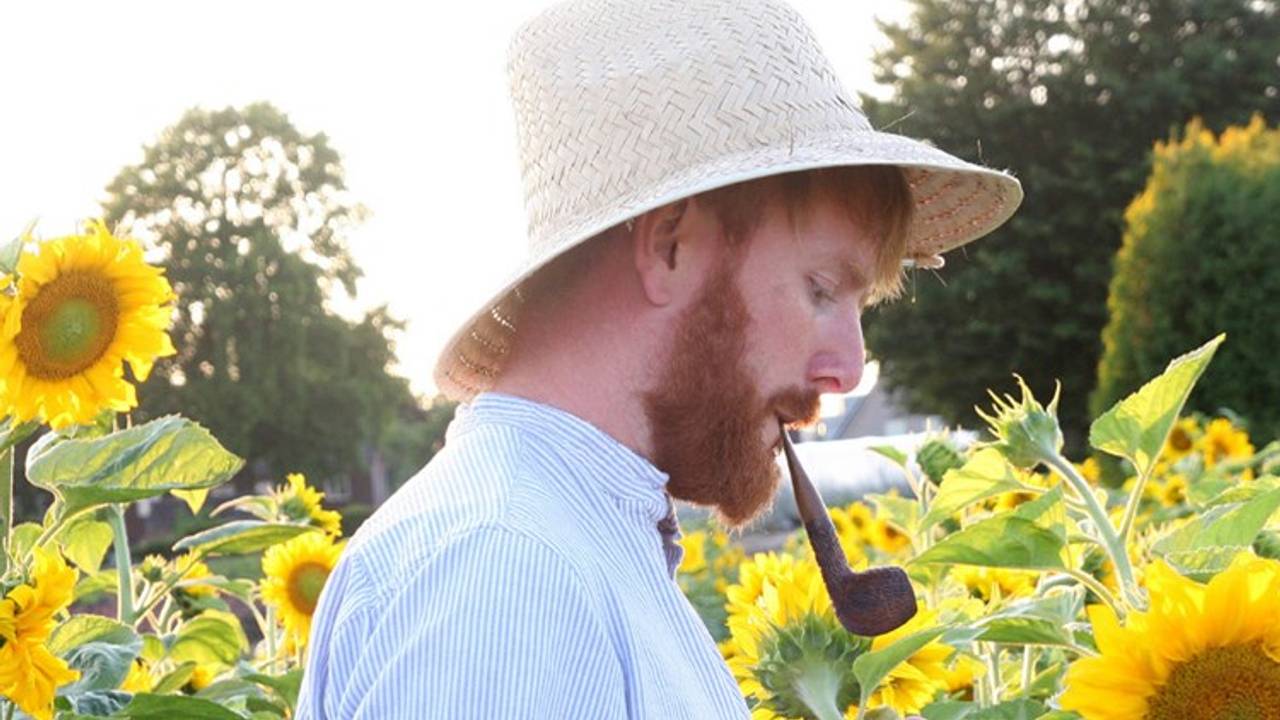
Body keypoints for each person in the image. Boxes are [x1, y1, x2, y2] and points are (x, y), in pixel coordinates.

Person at [296, 0, 1021, 717]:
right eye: (821, 289)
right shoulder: (505, 571)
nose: (848, 369)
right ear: (672, 245)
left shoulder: (567, 542)